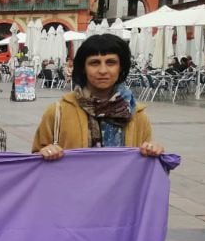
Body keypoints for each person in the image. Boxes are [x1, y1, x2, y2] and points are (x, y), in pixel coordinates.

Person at [33, 34, 164, 160]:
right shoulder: (58, 112)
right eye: (94, 63)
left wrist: (153, 152)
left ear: (121, 67)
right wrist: (44, 152)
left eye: (111, 62)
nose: (103, 70)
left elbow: (145, 168)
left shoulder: (136, 114)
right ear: (83, 67)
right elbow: (35, 160)